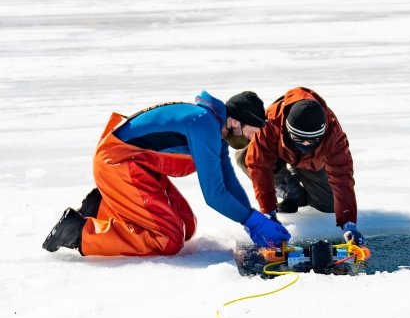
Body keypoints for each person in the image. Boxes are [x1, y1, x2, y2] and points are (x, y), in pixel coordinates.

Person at [42, 90, 291, 256]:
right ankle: (79, 232)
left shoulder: (216, 130)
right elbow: (214, 195)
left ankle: (103, 208)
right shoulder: (203, 125)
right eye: (253, 131)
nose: (253, 138)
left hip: (141, 167)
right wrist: (250, 220)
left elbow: (229, 183)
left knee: (186, 225)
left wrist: (254, 219)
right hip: (118, 163)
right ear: (236, 122)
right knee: (168, 239)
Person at [238, 87, 365, 247]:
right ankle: (287, 186)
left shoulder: (334, 135)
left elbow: (342, 177)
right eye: (298, 138)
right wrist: (268, 211)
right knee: (245, 157)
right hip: (278, 154)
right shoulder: (271, 121)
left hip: (313, 164)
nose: (305, 144)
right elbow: (259, 165)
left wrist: (348, 223)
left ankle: (300, 182)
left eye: (311, 141)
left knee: (328, 205)